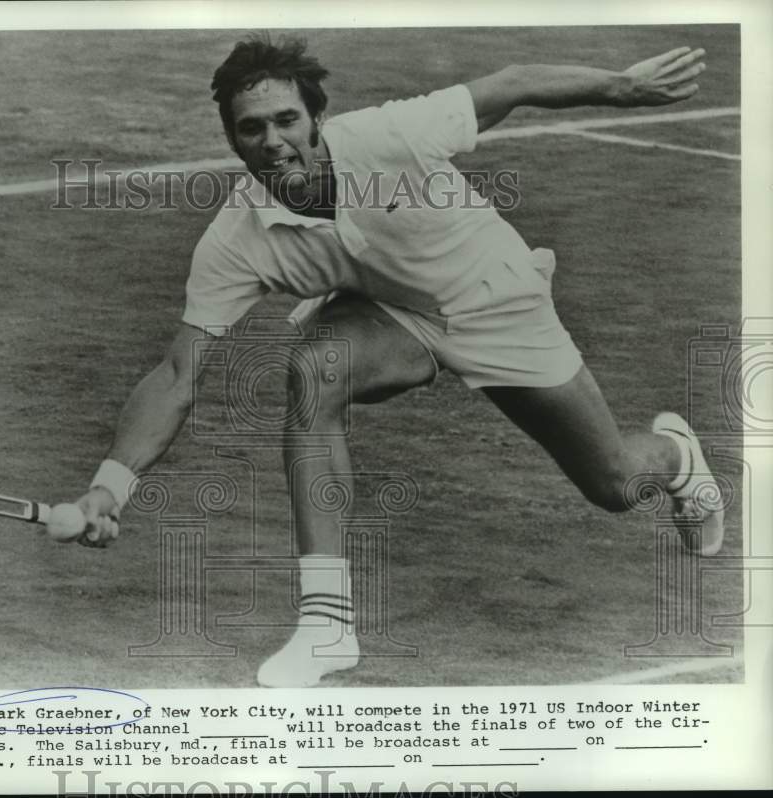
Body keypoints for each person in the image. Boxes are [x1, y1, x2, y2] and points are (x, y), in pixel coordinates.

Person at [69, 35, 723, 687]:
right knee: (312, 374)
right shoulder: (236, 241)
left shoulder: (387, 136)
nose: (272, 140)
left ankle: (675, 457)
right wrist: (111, 486)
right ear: (233, 140)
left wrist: (622, 87)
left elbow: (513, 81)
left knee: (613, 484)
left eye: (286, 120)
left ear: (317, 119)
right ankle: (327, 626)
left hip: (497, 299)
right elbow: (178, 373)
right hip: (391, 317)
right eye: (251, 128)